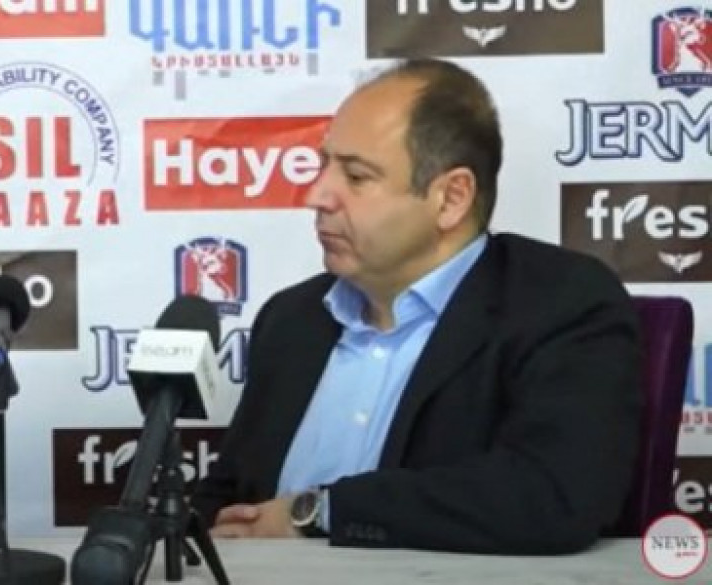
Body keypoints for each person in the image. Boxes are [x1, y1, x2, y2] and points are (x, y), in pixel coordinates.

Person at [191, 58, 642, 554]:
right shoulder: (293, 318)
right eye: (323, 165)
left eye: (356, 176)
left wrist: (320, 512)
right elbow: (231, 497)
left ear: (450, 199)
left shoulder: (560, 303)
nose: (317, 195)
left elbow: (551, 495)